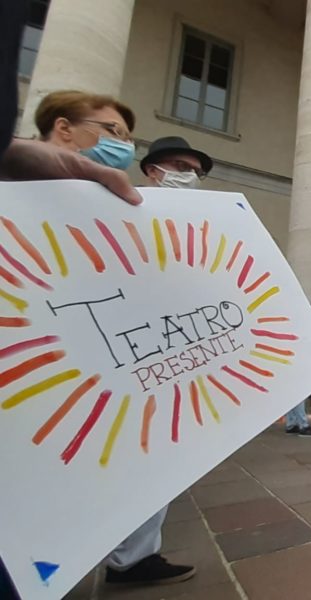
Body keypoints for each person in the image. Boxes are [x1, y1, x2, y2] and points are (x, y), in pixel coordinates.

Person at [30, 90, 197, 586]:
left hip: (138, 353)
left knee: (152, 455)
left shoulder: (138, 205)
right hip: (56, 350)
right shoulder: (26, 182)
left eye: (127, 135)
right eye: (113, 133)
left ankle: (133, 556)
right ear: (63, 130)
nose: (121, 144)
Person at [283, 288, 311, 438]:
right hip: (297, 354)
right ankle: (302, 424)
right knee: (299, 390)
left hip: (299, 353)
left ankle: (291, 423)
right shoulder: (306, 314)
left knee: (293, 392)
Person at [140, 136, 213, 189]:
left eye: (198, 173)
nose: (192, 176)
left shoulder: (199, 209)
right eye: (183, 166)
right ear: (152, 170)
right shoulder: (129, 206)